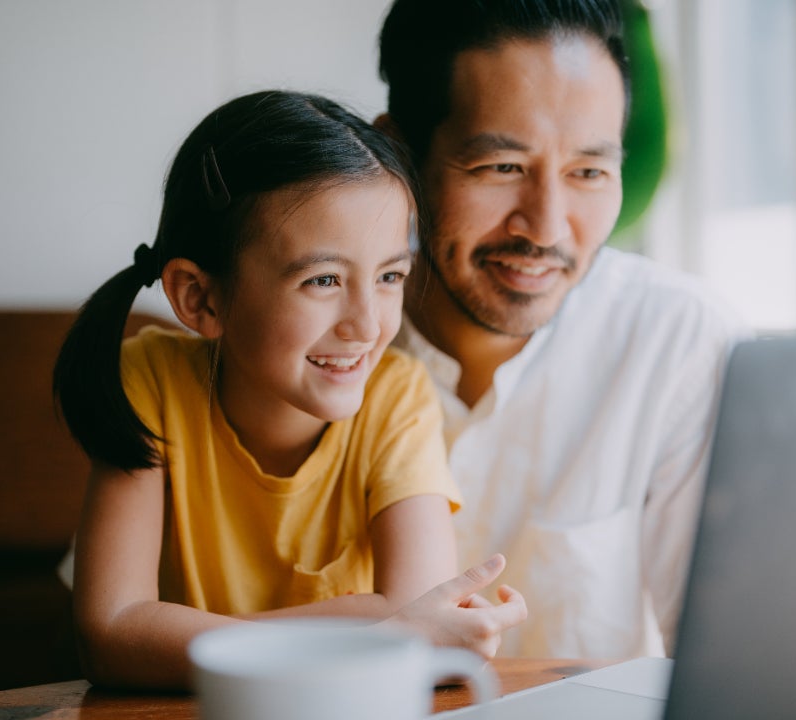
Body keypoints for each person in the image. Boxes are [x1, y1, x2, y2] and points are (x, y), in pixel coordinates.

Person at [52, 90, 525, 690]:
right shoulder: (152, 381)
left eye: (389, 276)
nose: (369, 324)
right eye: (323, 279)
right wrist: (365, 627)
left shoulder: (398, 398)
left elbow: (417, 626)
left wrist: (182, 636)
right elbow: (111, 637)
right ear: (201, 298)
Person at [376, 0, 751, 659]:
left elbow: (739, 659)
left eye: (588, 173)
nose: (546, 228)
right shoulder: (316, 347)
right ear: (399, 155)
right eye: (503, 168)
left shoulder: (677, 340)